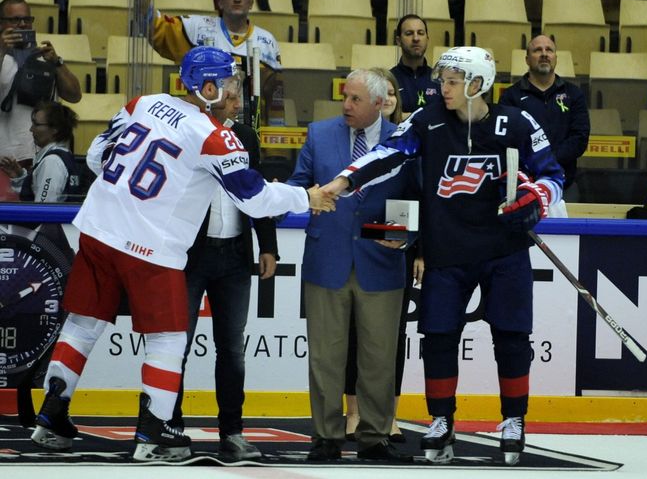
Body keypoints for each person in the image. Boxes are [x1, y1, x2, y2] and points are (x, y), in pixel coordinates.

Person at [29, 46, 334, 462]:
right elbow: (256, 198)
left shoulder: (144, 102)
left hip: (99, 230)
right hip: (149, 246)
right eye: (229, 85)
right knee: (169, 338)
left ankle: (50, 418)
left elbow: (99, 157)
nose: (236, 94)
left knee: (82, 325)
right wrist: (308, 196)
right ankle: (152, 436)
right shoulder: (214, 134)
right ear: (207, 88)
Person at [322, 47, 564, 466]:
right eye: (442, 80)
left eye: (452, 81)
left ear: (477, 84)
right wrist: (342, 182)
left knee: (510, 336)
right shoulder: (427, 119)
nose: (442, 88)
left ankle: (513, 419)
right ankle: (441, 420)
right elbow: (388, 154)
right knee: (437, 337)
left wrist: (535, 199)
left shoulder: (518, 122)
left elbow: (554, 176)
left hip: (504, 250)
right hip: (447, 250)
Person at [287, 68, 419, 463]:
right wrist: (307, 197)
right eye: (346, 96)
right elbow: (298, 184)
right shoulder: (319, 133)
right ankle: (326, 436)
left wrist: (406, 234)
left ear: (380, 103)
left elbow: (418, 195)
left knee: (379, 355)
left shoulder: (405, 140)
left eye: (356, 99)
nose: (346, 104)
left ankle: (375, 436)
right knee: (325, 355)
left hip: (381, 260)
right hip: (327, 258)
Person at [169, 75, 275, 461]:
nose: (237, 103)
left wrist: (268, 246)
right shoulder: (185, 131)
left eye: (239, 97)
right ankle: (169, 426)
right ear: (208, 95)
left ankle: (232, 431)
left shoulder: (245, 135)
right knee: (173, 346)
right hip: (188, 254)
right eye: (230, 97)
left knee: (232, 349)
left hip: (234, 255)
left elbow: (257, 188)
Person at [343, 67, 423, 444]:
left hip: (392, 252)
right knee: (352, 336)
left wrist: (414, 244)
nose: (389, 97)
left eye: (393, 92)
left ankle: (387, 414)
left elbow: (418, 197)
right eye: (383, 91)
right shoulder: (350, 138)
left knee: (392, 337)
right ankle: (354, 412)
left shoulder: (410, 141)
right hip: (351, 251)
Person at [125, 0, 282, 125]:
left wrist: (277, 154)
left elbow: (275, 96)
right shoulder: (195, 28)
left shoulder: (267, 42)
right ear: (219, 2)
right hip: (201, 128)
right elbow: (158, 28)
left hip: (249, 128)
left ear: (251, 3)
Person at [498, 34, 590, 217]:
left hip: (565, 184)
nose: (544, 54)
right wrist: (535, 165)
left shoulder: (574, 94)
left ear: (556, 57)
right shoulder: (510, 96)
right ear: (527, 59)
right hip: (522, 186)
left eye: (549, 50)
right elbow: (506, 141)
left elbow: (579, 138)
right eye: (537, 50)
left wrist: (548, 162)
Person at [0, 0, 81, 168]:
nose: (22, 24)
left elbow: (74, 96)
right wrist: (1, 50)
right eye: (14, 20)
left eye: (27, 19)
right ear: (1, 24)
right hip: (6, 158)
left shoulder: (45, 56)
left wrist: (57, 63)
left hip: (44, 156)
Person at [0, 100, 79, 202]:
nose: (31, 129)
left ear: (55, 129)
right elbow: (35, 195)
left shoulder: (52, 162)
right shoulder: (64, 156)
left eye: (36, 124)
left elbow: (44, 209)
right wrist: (19, 176)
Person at [390, 15, 442, 120]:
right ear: (398, 41)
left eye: (420, 33)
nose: (416, 38)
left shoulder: (439, 80)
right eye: (409, 33)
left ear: (427, 39)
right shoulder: (389, 80)